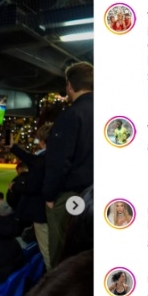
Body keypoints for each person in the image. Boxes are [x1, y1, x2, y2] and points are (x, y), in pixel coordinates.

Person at [43, 62, 93, 268]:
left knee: (63, 251)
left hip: (74, 196)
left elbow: (59, 160)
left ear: (69, 85)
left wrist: (49, 196)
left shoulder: (71, 115)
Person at [10, 122, 53, 269]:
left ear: (41, 141)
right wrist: (13, 147)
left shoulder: (42, 160)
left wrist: (15, 186)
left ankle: (53, 277)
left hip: (41, 213)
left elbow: (33, 186)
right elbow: (32, 159)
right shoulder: (56, 155)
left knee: (47, 250)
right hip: (53, 210)